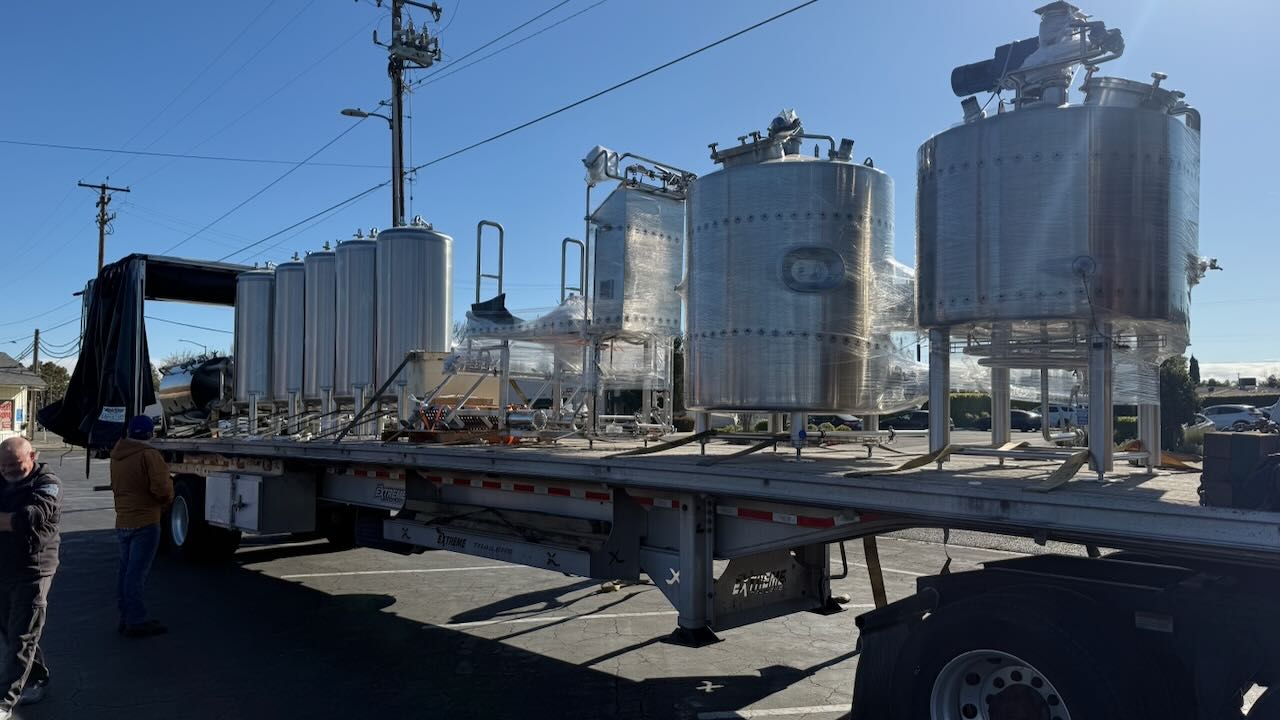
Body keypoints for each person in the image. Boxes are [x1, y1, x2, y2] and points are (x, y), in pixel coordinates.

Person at [0, 436, 61, 717]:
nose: (9, 471)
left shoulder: (48, 483)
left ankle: (4, 701)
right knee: (12, 631)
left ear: (33, 456)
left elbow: (32, 516)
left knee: (22, 635)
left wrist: (7, 521)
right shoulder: (2, 476)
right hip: (5, 566)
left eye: (16, 465)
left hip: (35, 569)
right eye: (3, 466)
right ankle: (36, 677)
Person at [109, 416, 174, 638]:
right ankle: (136, 620)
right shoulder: (149, 455)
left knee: (126, 571)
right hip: (145, 520)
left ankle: (126, 616)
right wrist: (166, 503)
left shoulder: (117, 454)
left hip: (123, 520)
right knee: (136, 574)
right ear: (149, 434)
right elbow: (162, 488)